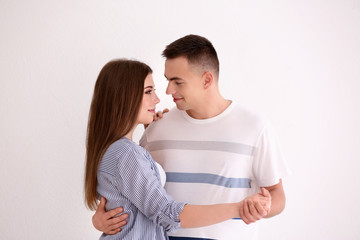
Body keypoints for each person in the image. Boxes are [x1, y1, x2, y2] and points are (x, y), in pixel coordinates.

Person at [92, 35, 290, 239]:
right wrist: (101, 217)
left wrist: (257, 208)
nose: (168, 91)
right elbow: (131, 189)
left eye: (177, 82)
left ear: (207, 80)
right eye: (168, 81)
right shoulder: (158, 127)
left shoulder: (255, 127)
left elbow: (277, 196)